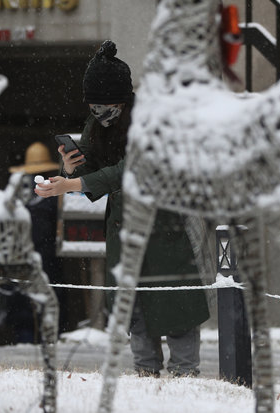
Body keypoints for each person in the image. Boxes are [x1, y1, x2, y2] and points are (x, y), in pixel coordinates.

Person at [35, 40, 210, 377]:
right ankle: (146, 384)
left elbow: (131, 172)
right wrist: (69, 169)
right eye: (93, 106)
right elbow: (93, 171)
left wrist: (72, 184)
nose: (100, 114)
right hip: (123, 234)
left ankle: (187, 386)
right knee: (137, 317)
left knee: (178, 314)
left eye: (106, 106)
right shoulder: (96, 124)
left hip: (168, 228)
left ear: (124, 100)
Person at [6, 141, 67, 341]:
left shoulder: (15, 189)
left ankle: (23, 339)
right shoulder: (52, 190)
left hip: (20, 252)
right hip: (46, 252)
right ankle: (51, 338)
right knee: (52, 299)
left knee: (22, 299)